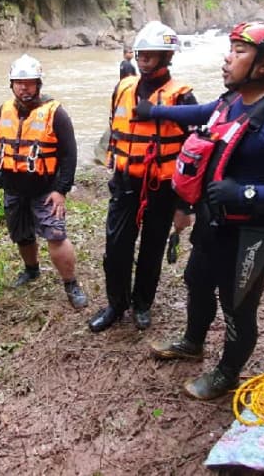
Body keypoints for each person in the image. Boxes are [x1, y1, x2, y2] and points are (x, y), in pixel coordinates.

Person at [142, 21, 264, 400]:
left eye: (239, 52)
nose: (227, 59)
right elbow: (199, 113)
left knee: (237, 304)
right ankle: (192, 342)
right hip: (214, 222)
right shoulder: (232, 101)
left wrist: (246, 193)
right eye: (230, 50)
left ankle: (227, 374)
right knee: (196, 281)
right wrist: (152, 111)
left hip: (254, 233)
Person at [89, 20, 197, 333]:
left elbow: (193, 154)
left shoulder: (182, 97)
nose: (144, 59)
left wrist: (185, 205)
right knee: (116, 247)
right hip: (125, 182)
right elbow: (114, 129)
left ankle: (142, 304)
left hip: (162, 187)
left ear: (167, 57)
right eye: (141, 54)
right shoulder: (123, 88)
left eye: (151, 54)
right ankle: (116, 304)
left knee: (152, 247)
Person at [0, 54, 88, 309]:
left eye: (29, 83)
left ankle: (71, 284)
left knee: (56, 235)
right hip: (13, 187)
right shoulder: (3, 111)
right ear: (12, 84)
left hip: (45, 188)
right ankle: (31, 270)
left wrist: (61, 190)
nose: (23, 88)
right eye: (19, 83)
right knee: (22, 235)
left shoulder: (56, 113)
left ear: (38, 84)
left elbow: (69, 155)